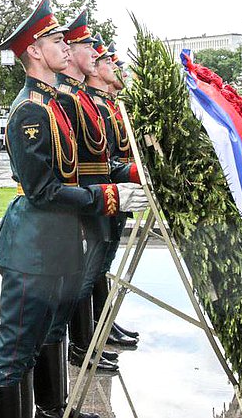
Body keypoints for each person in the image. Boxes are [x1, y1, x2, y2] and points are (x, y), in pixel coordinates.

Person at [0, 0, 148, 418]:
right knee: (15, 354)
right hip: (32, 245)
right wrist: (106, 197)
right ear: (35, 51)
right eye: (55, 39)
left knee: (53, 333)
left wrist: (118, 181)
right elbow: (43, 190)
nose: (64, 44)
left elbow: (83, 168)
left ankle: (55, 411)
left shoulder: (56, 104)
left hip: (59, 241)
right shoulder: (29, 111)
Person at [54, 11, 139, 375]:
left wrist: (132, 175)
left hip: (106, 193)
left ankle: (95, 334)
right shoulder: (71, 98)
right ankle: (82, 344)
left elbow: (106, 156)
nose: (97, 56)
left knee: (97, 270)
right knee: (85, 276)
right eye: (88, 47)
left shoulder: (89, 99)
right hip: (91, 198)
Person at [84, 36, 142, 350]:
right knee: (95, 264)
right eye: (108, 62)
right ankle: (93, 332)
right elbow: (101, 160)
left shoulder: (109, 104)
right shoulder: (92, 104)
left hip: (116, 190)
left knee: (103, 262)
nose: (114, 68)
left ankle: (103, 324)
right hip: (103, 191)